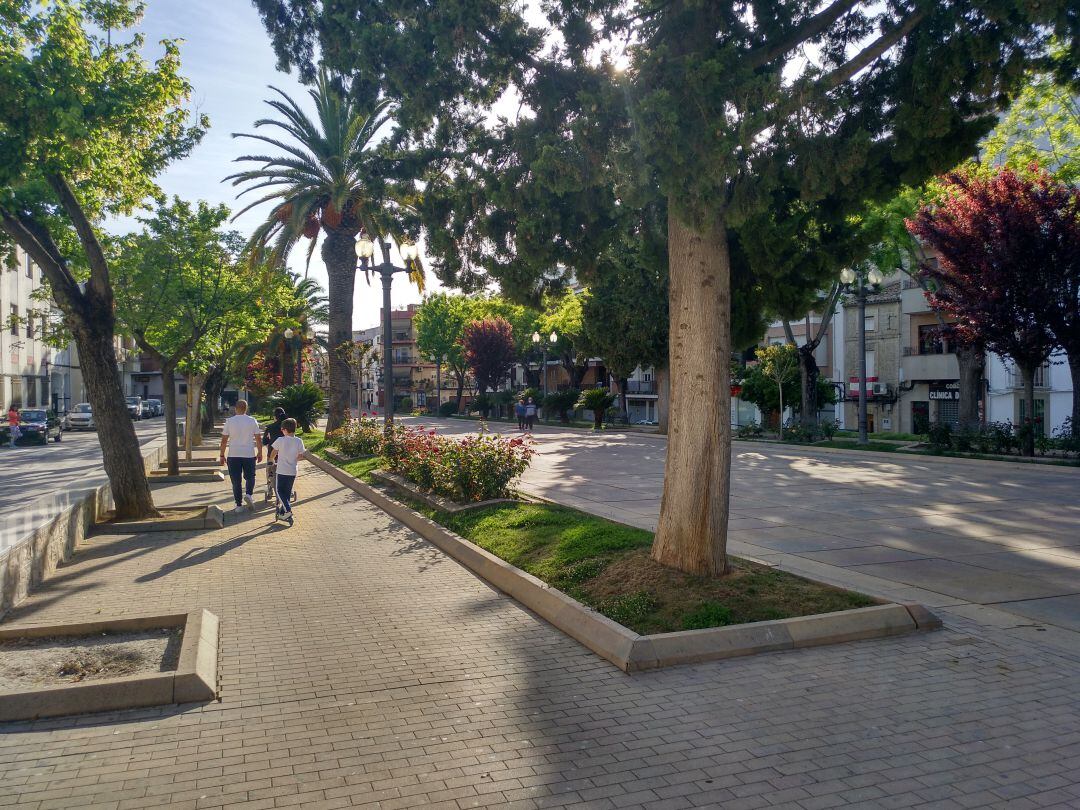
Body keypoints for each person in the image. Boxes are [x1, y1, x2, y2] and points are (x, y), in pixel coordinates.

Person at [218, 399, 263, 515]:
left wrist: (222, 455)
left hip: (233, 455)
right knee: (250, 477)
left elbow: (224, 441)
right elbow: (258, 438)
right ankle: (248, 495)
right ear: (246, 409)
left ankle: (238, 505)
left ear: (235, 408)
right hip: (248, 454)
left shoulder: (229, 421)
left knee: (236, 481)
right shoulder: (252, 420)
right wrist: (260, 452)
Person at [269, 418, 305, 525]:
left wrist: (271, 460)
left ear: (284, 430)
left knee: (279, 491)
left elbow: (274, 452)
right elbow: (301, 455)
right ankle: (282, 512)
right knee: (287, 493)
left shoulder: (280, 440)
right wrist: (294, 459)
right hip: (292, 471)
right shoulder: (299, 441)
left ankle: (288, 510)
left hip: (281, 471)